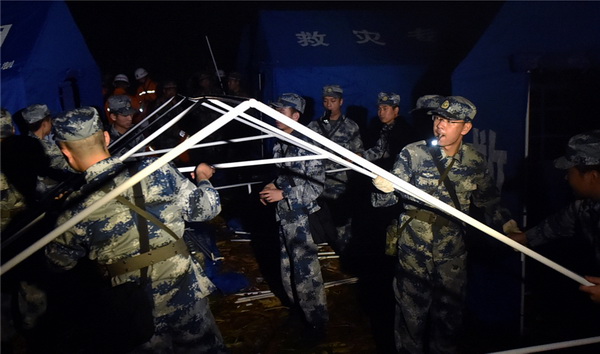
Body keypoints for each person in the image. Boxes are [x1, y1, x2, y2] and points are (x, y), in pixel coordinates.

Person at [44, 106, 228, 353]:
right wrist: (203, 178)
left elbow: (57, 262)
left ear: (65, 152)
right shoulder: (155, 170)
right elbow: (205, 209)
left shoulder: (75, 207)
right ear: (106, 137)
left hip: (133, 303)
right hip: (184, 289)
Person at [372, 96, 517, 353]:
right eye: (438, 118)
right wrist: (383, 190)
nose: (440, 126)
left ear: (465, 128)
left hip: (452, 249)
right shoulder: (413, 154)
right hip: (413, 247)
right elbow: (381, 203)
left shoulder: (474, 160)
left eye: (450, 121)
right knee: (410, 314)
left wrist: (508, 226)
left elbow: (490, 201)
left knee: (449, 315)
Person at [259, 93, 328, 340]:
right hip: (285, 216)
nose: (276, 116)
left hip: (302, 219)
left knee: (306, 274)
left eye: (282, 111)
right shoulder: (280, 142)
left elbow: (316, 187)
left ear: (295, 116)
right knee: (287, 269)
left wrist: (283, 194)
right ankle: (298, 312)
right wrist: (270, 187)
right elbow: (283, 176)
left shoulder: (309, 144)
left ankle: (317, 324)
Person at [509, 130, 600, 304]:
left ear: (592, 177)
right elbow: (556, 225)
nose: (566, 178)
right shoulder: (585, 205)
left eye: (570, 172)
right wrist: (523, 238)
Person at [307, 84, 364, 254]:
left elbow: (358, 151)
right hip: (318, 180)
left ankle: (344, 251)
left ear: (341, 102)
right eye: (325, 101)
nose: (329, 104)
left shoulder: (351, 126)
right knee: (318, 216)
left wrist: (353, 158)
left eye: (333, 100)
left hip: (340, 181)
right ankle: (321, 246)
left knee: (341, 219)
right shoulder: (314, 126)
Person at [21, 104, 74, 195]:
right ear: (45, 124)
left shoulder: (23, 143)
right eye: (50, 121)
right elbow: (71, 167)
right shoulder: (47, 148)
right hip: (52, 192)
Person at [362, 92, 415, 170]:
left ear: (396, 110)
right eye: (379, 109)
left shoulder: (405, 131)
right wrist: (361, 156)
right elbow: (379, 150)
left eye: (385, 108)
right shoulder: (381, 128)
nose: (381, 112)